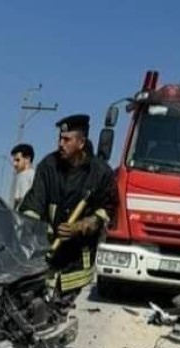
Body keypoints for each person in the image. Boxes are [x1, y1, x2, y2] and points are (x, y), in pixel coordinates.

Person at [19, 114, 117, 298]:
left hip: (78, 261)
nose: (60, 144)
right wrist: (29, 230)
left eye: (66, 140)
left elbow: (108, 211)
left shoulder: (101, 173)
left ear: (81, 142)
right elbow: (34, 204)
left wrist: (81, 226)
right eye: (59, 138)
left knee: (68, 306)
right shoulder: (48, 166)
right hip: (49, 254)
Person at [9, 143, 35, 210]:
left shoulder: (29, 175)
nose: (14, 164)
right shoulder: (19, 176)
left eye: (17, 160)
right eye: (14, 160)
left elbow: (21, 199)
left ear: (27, 159)